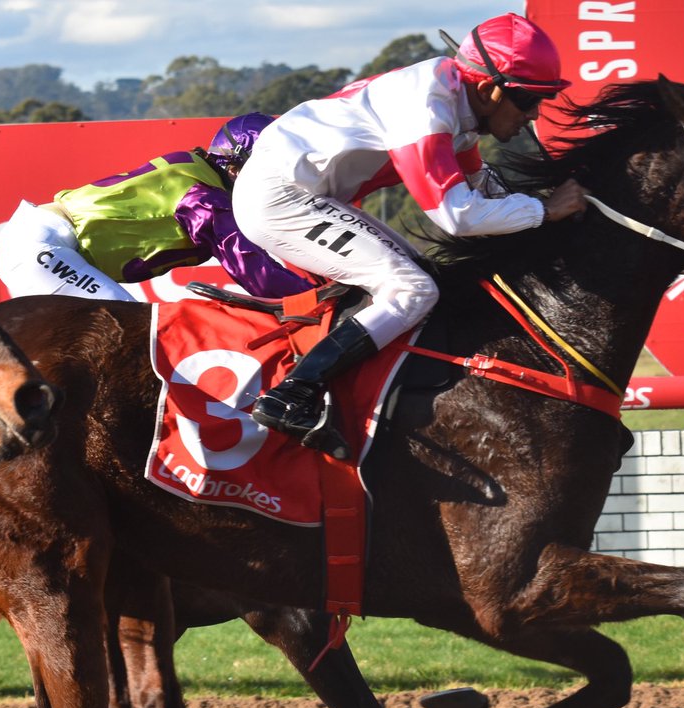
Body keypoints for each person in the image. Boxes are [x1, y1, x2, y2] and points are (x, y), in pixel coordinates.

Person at [231, 12, 590, 453]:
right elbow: (456, 216)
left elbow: (483, 189)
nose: (534, 114)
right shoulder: (427, 106)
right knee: (412, 290)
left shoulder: (458, 105)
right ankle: (293, 393)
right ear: (489, 89)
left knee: (425, 281)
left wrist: (558, 204)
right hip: (280, 197)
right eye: (529, 100)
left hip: (307, 195)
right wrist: (544, 211)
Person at [0, 112, 312, 302]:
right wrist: (315, 301)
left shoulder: (198, 173)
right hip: (45, 247)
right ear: (234, 165)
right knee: (128, 334)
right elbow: (253, 270)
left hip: (38, 242)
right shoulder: (205, 198)